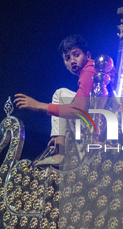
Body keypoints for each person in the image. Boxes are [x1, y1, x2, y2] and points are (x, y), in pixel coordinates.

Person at [14, 34, 97, 165]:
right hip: (95, 114)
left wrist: (39, 105)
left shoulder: (90, 70)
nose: (72, 61)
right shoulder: (87, 72)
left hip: (102, 117)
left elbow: (79, 109)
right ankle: (59, 143)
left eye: (76, 55)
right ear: (65, 64)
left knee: (60, 94)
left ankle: (60, 148)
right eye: (67, 58)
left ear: (87, 56)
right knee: (62, 94)